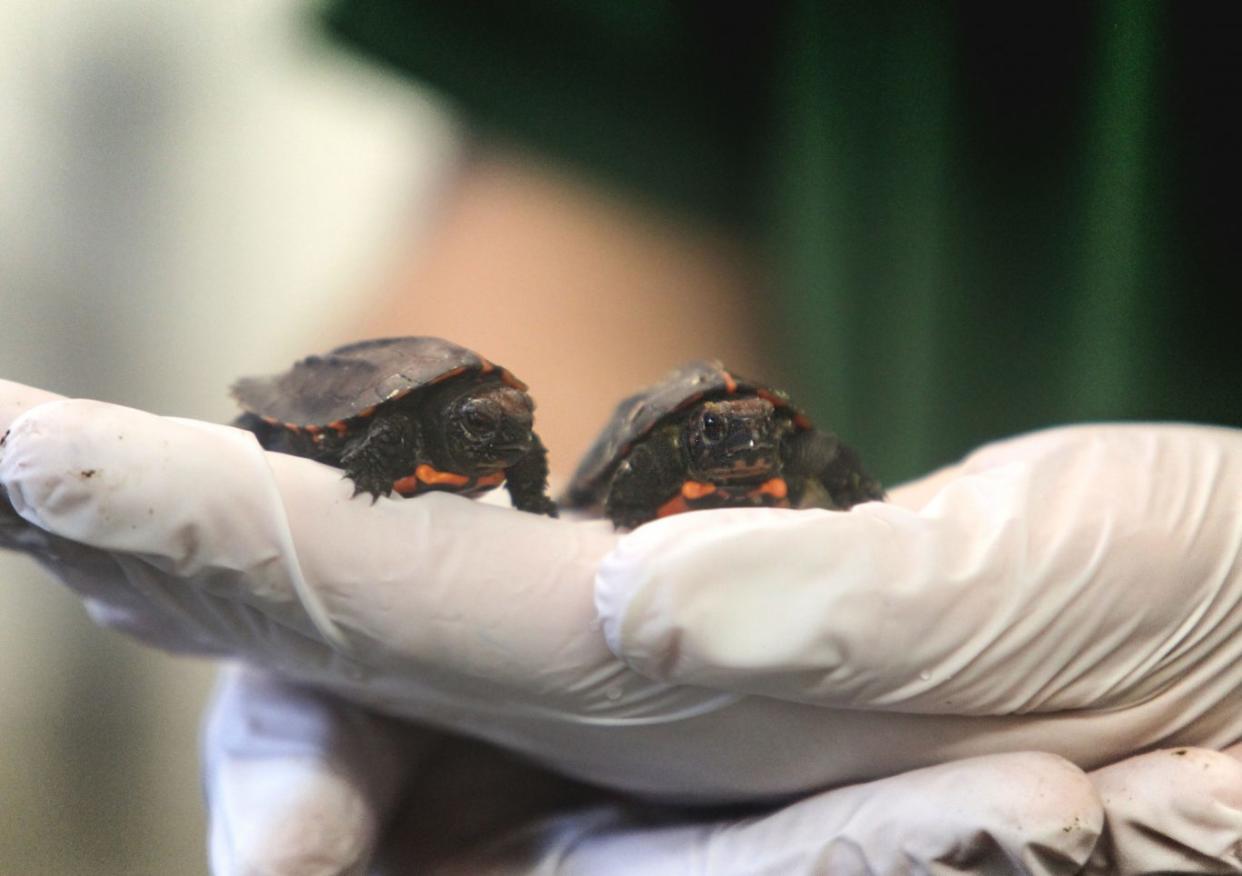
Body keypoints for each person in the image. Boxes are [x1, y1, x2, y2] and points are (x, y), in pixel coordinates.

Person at [3, 3, 1241, 874]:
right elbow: (582, 218)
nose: (507, 436)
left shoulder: (748, 440)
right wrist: (452, 655)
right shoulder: (503, 424)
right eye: (490, 431)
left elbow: (804, 473)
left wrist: (881, 523)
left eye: (503, 432)